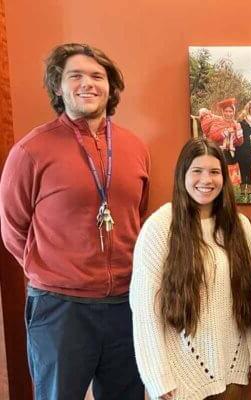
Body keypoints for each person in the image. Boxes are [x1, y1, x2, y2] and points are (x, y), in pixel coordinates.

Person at [0, 43, 149, 399]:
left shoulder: (134, 147)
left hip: (126, 305)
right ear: (58, 86)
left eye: (97, 76)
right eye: (75, 76)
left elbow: (137, 215)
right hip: (60, 308)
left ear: (110, 87)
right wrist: (53, 271)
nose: (88, 84)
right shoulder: (31, 150)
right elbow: (12, 227)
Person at [130, 138, 251, 400]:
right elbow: (145, 308)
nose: (206, 180)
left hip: (231, 369)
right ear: (183, 175)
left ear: (224, 177)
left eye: (214, 172)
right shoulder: (160, 226)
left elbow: (250, 294)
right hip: (177, 374)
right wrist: (156, 376)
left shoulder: (240, 226)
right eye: (197, 171)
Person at [198, 98, 243, 185]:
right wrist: (225, 132)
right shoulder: (217, 122)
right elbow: (212, 137)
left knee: (229, 183)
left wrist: (239, 133)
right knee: (217, 181)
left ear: (233, 112)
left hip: (230, 156)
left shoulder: (235, 124)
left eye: (230, 111)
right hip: (218, 154)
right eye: (226, 111)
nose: (228, 114)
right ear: (223, 112)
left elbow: (239, 143)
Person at [236, 99, 251, 199]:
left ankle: (249, 195)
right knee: (243, 171)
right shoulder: (243, 121)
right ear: (249, 108)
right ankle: (242, 194)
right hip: (242, 151)